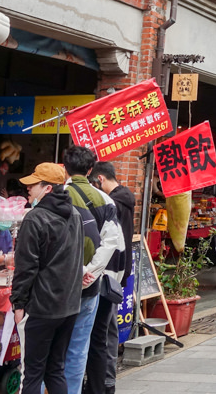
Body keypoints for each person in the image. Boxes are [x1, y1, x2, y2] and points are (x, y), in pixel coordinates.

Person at [11, 162, 84, 394]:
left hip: (41, 307)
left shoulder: (35, 218)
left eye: (34, 184)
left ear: (48, 188)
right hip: (69, 306)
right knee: (55, 370)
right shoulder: (75, 214)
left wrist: (18, 303)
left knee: (32, 372)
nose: (29, 189)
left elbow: (26, 267)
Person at [63, 146, 124, 394]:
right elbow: (113, 241)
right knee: (94, 340)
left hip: (62, 283)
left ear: (64, 168)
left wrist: (79, 271)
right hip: (98, 281)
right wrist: (92, 270)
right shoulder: (105, 200)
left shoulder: (57, 195)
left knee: (62, 342)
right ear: (90, 170)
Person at [89, 160, 135, 394]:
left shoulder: (111, 204)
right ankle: (107, 378)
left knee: (103, 328)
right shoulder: (124, 198)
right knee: (108, 326)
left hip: (108, 270)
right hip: (119, 270)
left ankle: (105, 380)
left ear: (100, 180)